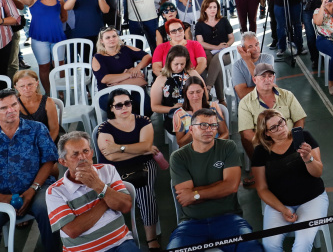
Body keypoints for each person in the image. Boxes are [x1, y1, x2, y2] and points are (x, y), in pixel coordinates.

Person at [168, 109, 262, 252]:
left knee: (252, 248)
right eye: (203, 125)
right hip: (191, 223)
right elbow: (184, 198)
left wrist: (195, 194)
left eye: (213, 125)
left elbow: (231, 187)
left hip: (229, 219)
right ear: (191, 129)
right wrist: (219, 187)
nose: (209, 129)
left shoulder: (227, 147)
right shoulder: (178, 157)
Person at [252, 109, 328, 252]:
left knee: (302, 245)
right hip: (280, 204)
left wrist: (308, 159)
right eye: (274, 127)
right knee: (270, 245)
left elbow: (318, 172)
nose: (280, 128)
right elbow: (262, 188)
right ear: (266, 133)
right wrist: (283, 209)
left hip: (312, 199)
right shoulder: (260, 152)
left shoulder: (304, 137)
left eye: (281, 122)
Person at [50, 131, 139, 252]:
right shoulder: (55, 191)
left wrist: (98, 186)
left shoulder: (107, 170)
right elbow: (73, 230)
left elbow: (125, 206)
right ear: (63, 162)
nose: (82, 157)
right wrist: (106, 200)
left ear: (92, 153)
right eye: (75, 154)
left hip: (120, 243)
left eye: (85, 151)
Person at [95, 88, 162, 249]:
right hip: (113, 170)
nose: (124, 107)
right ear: (111, 108)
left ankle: (151, 237)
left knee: (145, 193)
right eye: (118, 105)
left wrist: (119, 147)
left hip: (143, 166)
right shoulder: (104, 128)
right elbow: (110, 157)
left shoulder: (143, 121)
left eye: (127, 103)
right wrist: (140, 150)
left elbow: (146, 145)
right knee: (105, 198)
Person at [0, 88, 60, 252]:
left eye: (14, 104)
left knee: (47, 207)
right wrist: (3, 198)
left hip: (37, 187)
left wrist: (33, 189)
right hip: (1, 194)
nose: (11, 110)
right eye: (4, 108)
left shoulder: (37, 129)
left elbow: (49, 161)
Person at [19, 0, 67, 93]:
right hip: (39, 38)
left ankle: (60, 91)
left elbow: (64, 17)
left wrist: (52, 25)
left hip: (57, 37)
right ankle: (49, 92)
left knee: (59, 66)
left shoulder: (59, 0)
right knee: (44, 66)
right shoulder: (33, 0)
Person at [92, 27, 152, 114]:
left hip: (131, 87)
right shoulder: (98, 57)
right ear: (101, 41)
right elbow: (105, 79)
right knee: (125, 111)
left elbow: (147, 57)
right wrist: (129, 74)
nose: (111, 39)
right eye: (107, 38)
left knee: (147, 107)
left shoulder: (125, 49)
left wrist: (136, 68)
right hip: (108, 92)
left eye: (114, 36)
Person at [150, 45, 201, 135]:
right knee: (194, 128)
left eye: (182, 64)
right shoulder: (162, 79)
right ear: (169, 62)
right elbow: (154, 106)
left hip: (194, 111)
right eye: (176, 64)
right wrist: (172, 109)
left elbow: (205, 94)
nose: (179, 67)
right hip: (174, 116)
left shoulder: (192, 73)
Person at [194, 0, 233, 104]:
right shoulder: (199, 24)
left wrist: (226, 45)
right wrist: (216, 47)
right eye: (210, 7)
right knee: (216, 63)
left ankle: (207, 88)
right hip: (208, 52)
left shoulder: (224, 20)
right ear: (204, 9)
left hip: (225, 53)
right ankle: (221, 99)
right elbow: (200, 42)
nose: (213, 9)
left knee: (218, 58)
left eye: (215, 7)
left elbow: (231, 38)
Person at [172, 76, 229, 146]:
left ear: (203, 90)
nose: (195, 96)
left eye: (198, 91)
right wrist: (192, 130)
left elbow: (225, 133)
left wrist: (212, 146)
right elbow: (181, 143)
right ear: (185, 93)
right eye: (191, 93)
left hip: (214, 148)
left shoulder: (213, 107)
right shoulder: (179, 114)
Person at [14, 70, 59, 140]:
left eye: (30, 84)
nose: (27, 88)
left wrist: (44, 147)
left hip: (47, 139)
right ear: (16, 87)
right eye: (22, 86)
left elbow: (54, 130)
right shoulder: (12, 105)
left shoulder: (48, 102)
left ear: (37, 83)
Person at [230, 32, 274, 100]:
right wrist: (247, 60)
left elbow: (269, 88)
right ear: (243, 49)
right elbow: (242, 94)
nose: (255, 49)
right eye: (250, 46)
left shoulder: (268, 59)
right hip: (248, 105)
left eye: (256, 45)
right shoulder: (237, 66)